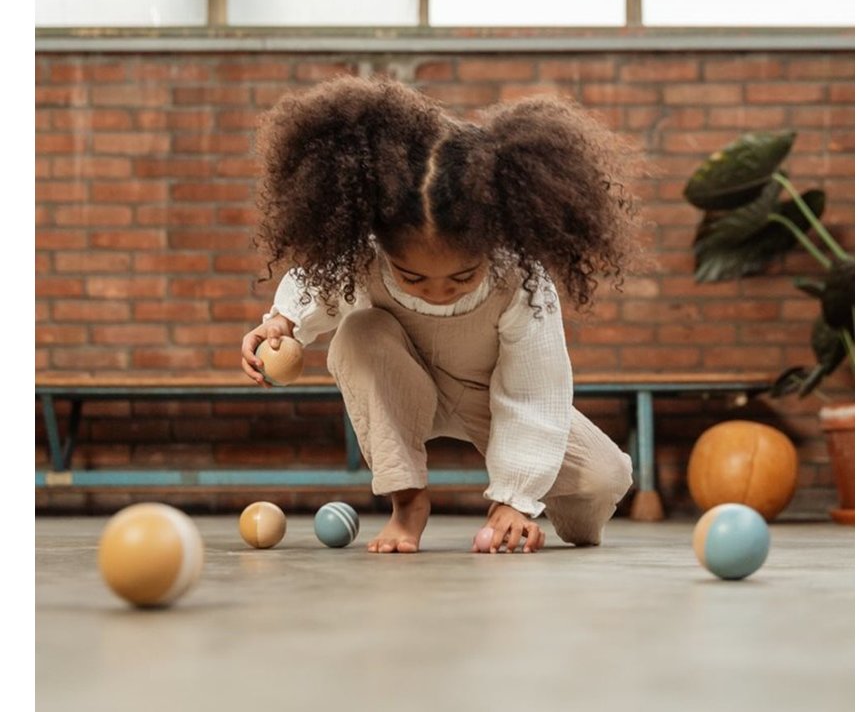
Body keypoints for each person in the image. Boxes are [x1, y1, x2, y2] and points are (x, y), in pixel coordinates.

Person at [240, 75, 641, 554]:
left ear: (491, 248)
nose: (436, 293)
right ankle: (408, 504)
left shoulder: (520, 281)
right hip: (402, 385)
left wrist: (514, 499)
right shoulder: (364, 257)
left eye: (460, 278)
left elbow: (533, 394)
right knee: (358, 333)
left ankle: (540, 517)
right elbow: (316, 285)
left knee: (606, 475)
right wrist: (282, 324)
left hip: (489, 399)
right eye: (413, 278)